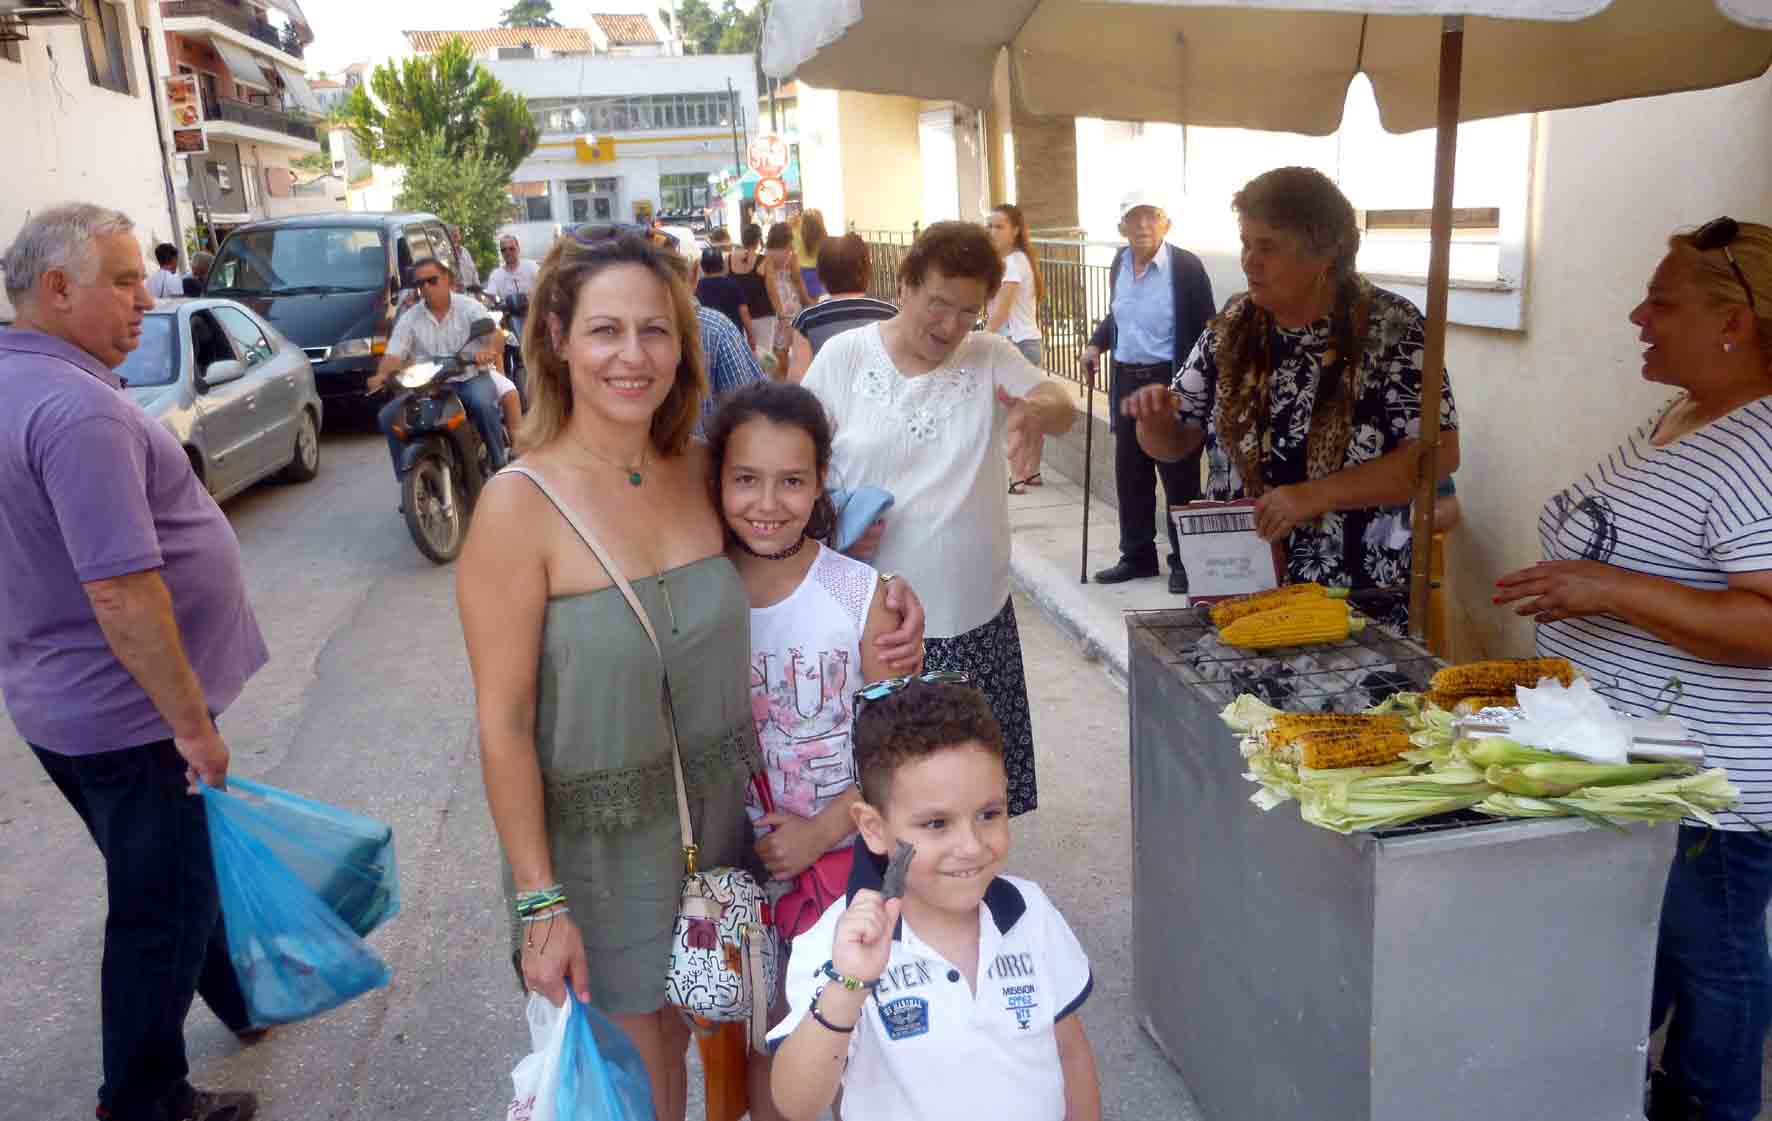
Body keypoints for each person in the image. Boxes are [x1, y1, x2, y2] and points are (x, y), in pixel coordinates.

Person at [455, 231, 927, 1121]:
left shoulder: (704, 470)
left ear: (684, 341)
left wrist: (890, 599)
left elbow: (789, 551)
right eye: (605, 330)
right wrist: (540, 902)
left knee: (737, 1073)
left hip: (723, 838)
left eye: (655, 330)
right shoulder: (518, 508)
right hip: (599, 857)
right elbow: (503, 722)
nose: (632, 356)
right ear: (556, 337)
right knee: (642, 1090)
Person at [1493, 218, 1772, 1121]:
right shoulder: (1683, 414)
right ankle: (1609, 1088)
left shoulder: (1761, 443)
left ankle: (1711, 1105)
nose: (1637, 317)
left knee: (1715, 964)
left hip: (1711, 789)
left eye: (1662, 302)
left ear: (1734, 322)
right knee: (1637, 953)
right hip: (1633, 763)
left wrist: (1608, 586)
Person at [0, 204, 266, 1121]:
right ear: (56, 289)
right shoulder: (75, 410)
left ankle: (241, 993)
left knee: (177, 872)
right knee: (159, 907)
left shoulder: (19, 382)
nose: (146, 300)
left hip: (61, 703)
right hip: (132, 716)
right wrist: (192, 727)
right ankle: (145, 1099)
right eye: (123, 280)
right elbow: (121, 591)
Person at [802, 221, 1076, 817]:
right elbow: (798, 462)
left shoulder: (990, 357)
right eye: (938, 303)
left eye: (968, 312)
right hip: (871, 626)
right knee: (883, 800)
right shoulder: (845, 357)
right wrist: (831, 525)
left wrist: (1034, 410)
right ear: (904, 287)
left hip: (970, 621)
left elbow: (1062, 405)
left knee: (967, 806)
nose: (950, 326)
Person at [1123, 167, 1459, 628]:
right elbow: (1175, 443)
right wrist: (1155, 420)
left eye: (1268, 247)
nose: (1249, 262)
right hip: (1238, 590)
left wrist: (1314, 496)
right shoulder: (1235, 324)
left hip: (1353, 602)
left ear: (1323, 254)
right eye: (1245, 244)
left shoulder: (1394, 329)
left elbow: (1437, 455)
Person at [705, 381, 908, 1119]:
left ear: (821, 480)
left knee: (849, 1038)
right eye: (746, 479)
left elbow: (897, 755)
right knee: (766, 1041)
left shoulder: (861, 595)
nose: (768, 502)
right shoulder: (699, 593)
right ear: (717, 480)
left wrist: (822, 830)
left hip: (843, 863)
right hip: (734, 867)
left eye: (791, 480)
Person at [767, 677, 1102, 1121]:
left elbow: (1069, 1051)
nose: (971, 845)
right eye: (937, 824)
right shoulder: (840, 942)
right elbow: (797, 1104)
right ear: (874, 829)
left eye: (989, 814)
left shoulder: (1029, 913)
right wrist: (848, 985)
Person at [1083, 191, 1216, 594]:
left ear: (1166, 224)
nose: (1142, 226)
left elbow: (1207, 329)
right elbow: (1120, 315)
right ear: (1121, 227)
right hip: (1127, 380)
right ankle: (1138, 556)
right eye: (1134, 218)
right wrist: (1096, 344)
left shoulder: (1186, 267)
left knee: (1178, 475)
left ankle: (1186, 562)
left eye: (1151, 217)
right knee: (1131, 473)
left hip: (1169, 381)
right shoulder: (1119, 263)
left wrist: (1196, 391)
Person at [366, 255, 507, 477]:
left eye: (432, 280)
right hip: (428, 387)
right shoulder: (410, 318)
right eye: (420, 283)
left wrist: (489, 350)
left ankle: (500, 463)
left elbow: (495, 335)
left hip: (469, 378)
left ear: (447, 279)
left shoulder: (469, 307)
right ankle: (408, 478)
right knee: (388, 416)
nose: (426, 287)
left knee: (482, 404)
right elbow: (394, 354)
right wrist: (382, 375)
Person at [786, 233, 896, 381]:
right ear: (866, 270)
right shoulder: (890, 314)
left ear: (821, 273)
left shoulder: (807, 320)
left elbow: (797, 379)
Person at [986, 204, 1044, 368]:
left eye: (999, 227)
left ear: (1015, 231)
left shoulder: (1013, 262)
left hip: (1018, 344)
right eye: (989, 226)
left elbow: (1001, 312)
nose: (992, 232)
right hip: (1019, 343)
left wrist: (979, 340)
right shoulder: (1012, 260)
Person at [487, 234, 540, 386]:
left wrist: (533, 295)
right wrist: (488, 300)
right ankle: (507, 379)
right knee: (498, 344)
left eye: (511, 248)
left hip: (533, 314)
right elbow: (490, 295)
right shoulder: (496, 274)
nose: (508, 252)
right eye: (504, 250)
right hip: (509, 319)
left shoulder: (531, 267)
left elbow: (544, 283)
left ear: (518, 248)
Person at [764, 223, 812, 375]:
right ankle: (786, 376)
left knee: (775, 344)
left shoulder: (765, 255)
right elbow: (798, 281)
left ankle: (776, 375)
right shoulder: (790, 256)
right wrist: (807, 301)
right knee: (789, 343)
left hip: (771, 301)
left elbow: (767, 282)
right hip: (789, 300)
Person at [732, 223, 776, 357]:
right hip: (763, 315)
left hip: (738, 317)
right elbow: (772, 292)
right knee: (764, 357)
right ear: (758, 240)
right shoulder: (765, 261)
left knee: (742, 356)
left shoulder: (729, 260)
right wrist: (782, 315)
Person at [696, 246, 751, 337]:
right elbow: (743, 311)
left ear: (702, 266)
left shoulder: (697, 287)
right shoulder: (733, 285)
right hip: (733, 335)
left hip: (708, 336)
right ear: (722, 265)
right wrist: (750, 335)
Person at [794, 209, 829, 301]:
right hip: (817, 273)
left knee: (802, 301)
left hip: (800, 272)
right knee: (815, 302)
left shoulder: (795, 234)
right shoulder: (824, 237)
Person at [448, 224, 480, 292]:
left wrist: (478, 290)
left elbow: (473, 270)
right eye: (453, 233)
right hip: (457, 293)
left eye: (457, 233)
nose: (456, 235)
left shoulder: (464, 251)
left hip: (471, 291)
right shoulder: (445, 254)